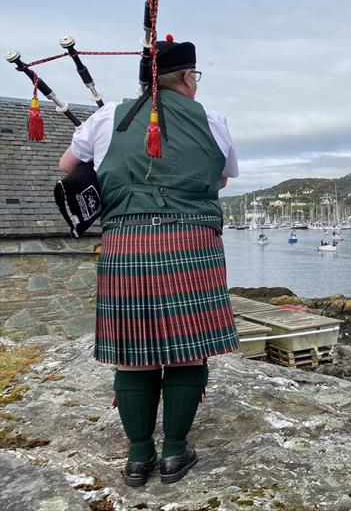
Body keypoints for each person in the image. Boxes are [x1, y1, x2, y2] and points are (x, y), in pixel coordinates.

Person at [59, 38, 240, 486]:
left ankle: (139, 458)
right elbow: (218, 177)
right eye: (195, 76)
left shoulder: (106, 118)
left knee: (134, 354)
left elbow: (68, 166)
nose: (195, 83)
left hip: (127, 242)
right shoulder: (213, 121)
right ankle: (176, 454)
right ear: (184, 77)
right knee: (187, 349)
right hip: (192, 241)